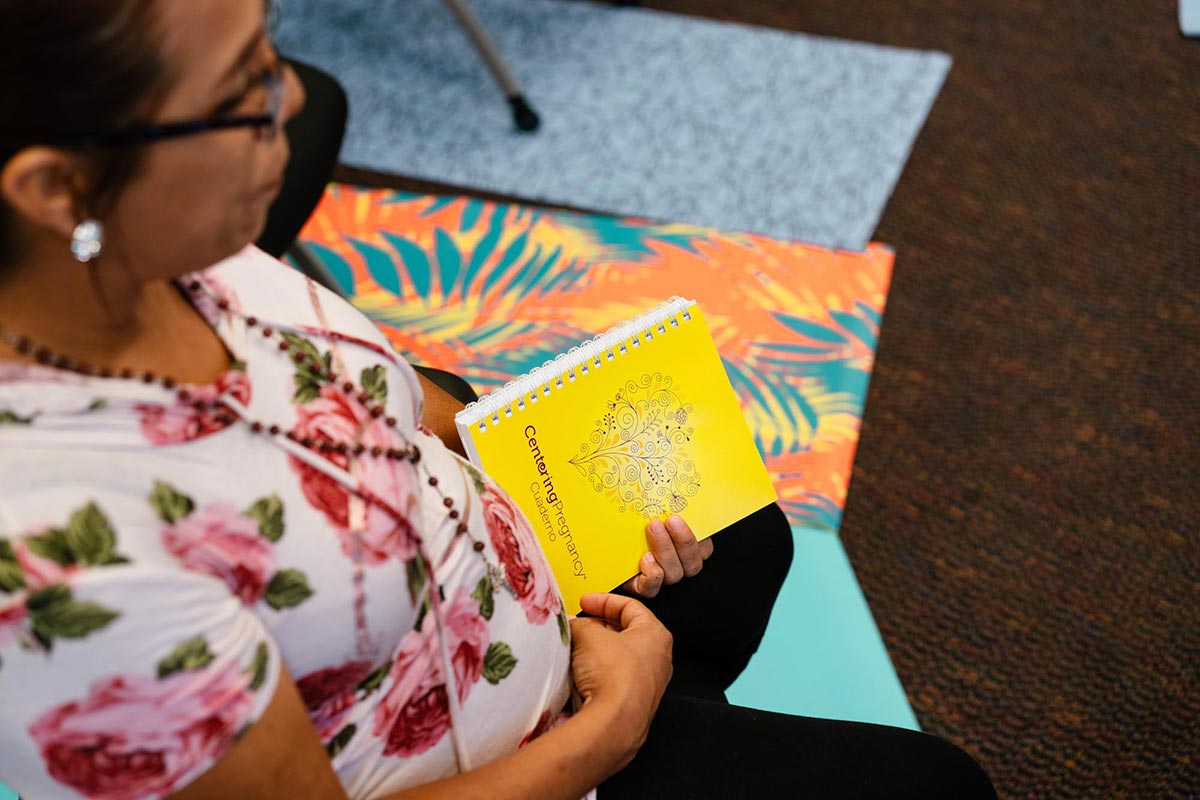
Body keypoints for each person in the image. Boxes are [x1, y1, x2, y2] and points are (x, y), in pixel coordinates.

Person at [0, 2, 997, 799]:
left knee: (743, 537)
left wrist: (557, 490)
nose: (294, 101)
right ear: (56, 189)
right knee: (934, 788)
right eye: (242, 94)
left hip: (508, 623)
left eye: (271, 51)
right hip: (510, 750)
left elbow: (387, 400)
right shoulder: (62, 578)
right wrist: (613, 726)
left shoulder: (166, 247)